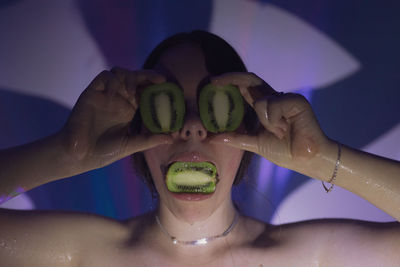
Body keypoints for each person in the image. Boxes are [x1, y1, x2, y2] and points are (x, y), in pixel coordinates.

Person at [0, 30, 399, 266]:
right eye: (168, 107)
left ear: (250, 127)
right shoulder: (88, 254)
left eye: (215, 110)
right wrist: (66, 152)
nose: (192, 128)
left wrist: (323, 158)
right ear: (138, 130)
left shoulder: (306, 257)